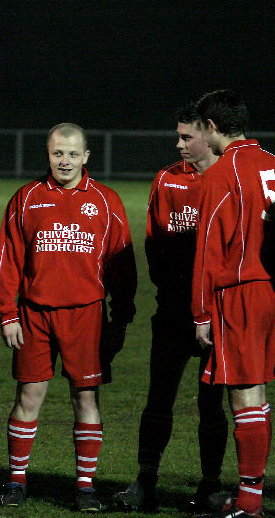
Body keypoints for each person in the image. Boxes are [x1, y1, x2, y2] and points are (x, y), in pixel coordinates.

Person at [0, 123, 136, 512]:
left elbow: (122, 266)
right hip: (33, 315)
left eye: (72, 154)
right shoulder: (26, 198)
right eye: (57, 153)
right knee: (28, 396)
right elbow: (9, 260)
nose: (64, 161)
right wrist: (7, 314)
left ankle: (85, 486)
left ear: (87, 156)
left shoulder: (106, 201)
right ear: (47, 154)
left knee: (85, 398)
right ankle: (16, 480)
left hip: (87, 316)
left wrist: (119, 319)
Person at [113, 104, 228, 513]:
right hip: (174, 311)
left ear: (208, 134)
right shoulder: (166, 180)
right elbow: (154, 241)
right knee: (158, 397)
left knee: (212, 403)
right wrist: (172, 291)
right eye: (177, 136)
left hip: (219, 314)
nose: (178, 144)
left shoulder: (228, 178)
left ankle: (210, 486)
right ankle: (146, 482)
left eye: (186, 136)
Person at [190, 90, 274, 518]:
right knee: (258, 393)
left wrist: (201, 313)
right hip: (272, 291)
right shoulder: (272, 163)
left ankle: (249, 503)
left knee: (245, 394)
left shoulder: (222, 174)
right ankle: (251, 497)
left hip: (240, 293)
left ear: (210, 127)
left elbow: (208, 249)